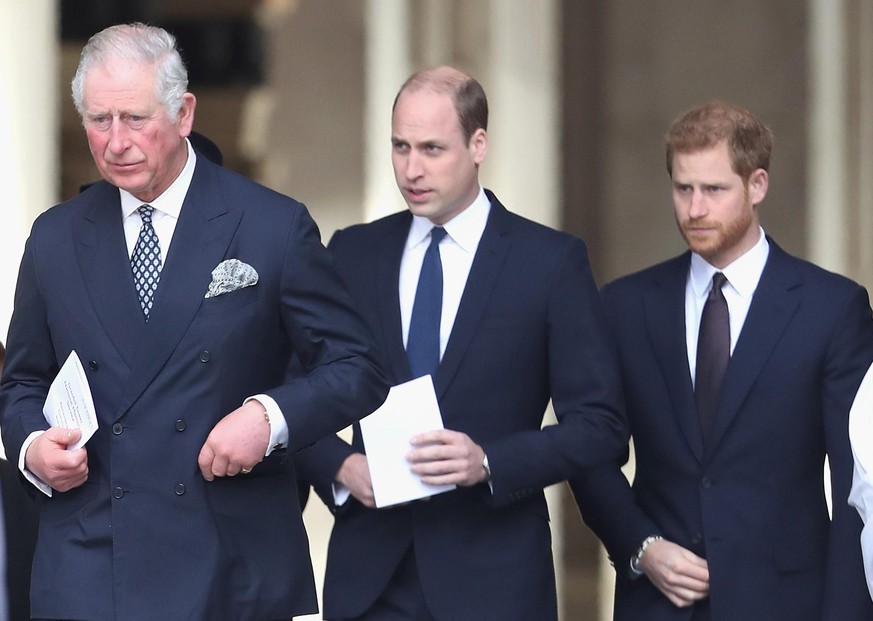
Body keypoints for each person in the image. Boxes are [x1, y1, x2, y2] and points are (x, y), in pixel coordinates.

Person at [0, 22, 387, 621]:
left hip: (226, 563)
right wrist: (30, 447)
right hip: (91, 563)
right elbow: (21, 382)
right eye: (98, 121)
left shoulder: (272, 227)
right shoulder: (55, 238)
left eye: (134, 118)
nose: (115, 141)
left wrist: (269, 418)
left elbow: (359, 367)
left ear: (183, 114)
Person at [294, 66, 627, 621]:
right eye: (400, 147)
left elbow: (601, 427)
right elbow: (291, 389)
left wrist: (489, 460)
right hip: (370, 579)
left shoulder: (549, 263)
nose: (411, 169)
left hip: (495, 582)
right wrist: (342, 466)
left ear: (478, 145)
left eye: (431, 148)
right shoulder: (353, 252)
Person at [571, 100, 873, 620]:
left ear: (757, 186)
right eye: (683, 188)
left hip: (785, 603)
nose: (695, 208)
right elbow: (589, 446)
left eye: (714, 190)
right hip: (658, 602)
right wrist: (640, 546)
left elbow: (856, 484)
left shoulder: (833, 309)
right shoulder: (624, 305)